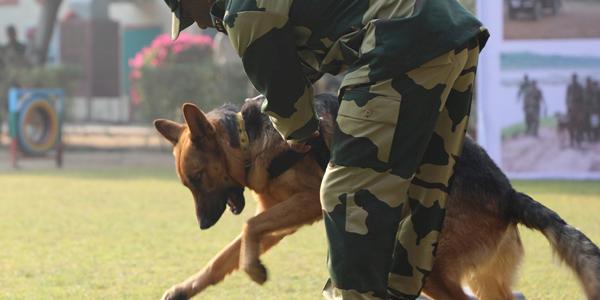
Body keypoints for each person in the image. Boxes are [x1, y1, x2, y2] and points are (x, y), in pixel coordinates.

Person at [162, 0, 489, 299]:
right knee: (423, 199)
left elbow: (285, 91)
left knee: (343, 197)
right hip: (453, 30)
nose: (201, 26)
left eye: (190, 15)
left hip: (400, 40)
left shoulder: (242, 11)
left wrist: (298, 129)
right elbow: (302, 62)